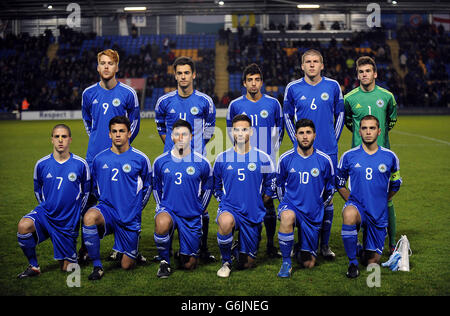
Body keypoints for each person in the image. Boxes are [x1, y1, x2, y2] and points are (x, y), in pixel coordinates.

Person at [80, 49, 141, 262]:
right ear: (98, 67)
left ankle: (123, 244)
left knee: (122, 200)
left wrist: (121, 150)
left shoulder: (128, 93)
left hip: (120, 158)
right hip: (93, 158)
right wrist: (100, 143)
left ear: (117, 67)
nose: (106, 67)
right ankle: (86, 248)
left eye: (110, 63)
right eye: (102, 63)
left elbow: (134, 124)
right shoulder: (88, 93)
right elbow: (89, 123)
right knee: (89, 202)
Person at [283, 49, 344, 260]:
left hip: (328, 151)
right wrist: (295, 141)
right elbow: (287, 116)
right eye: (307, 62)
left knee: (327, 198)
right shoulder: (292, 88)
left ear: (322, 65)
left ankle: (324, 245)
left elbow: (341, 114)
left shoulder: (333, 86)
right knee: (301, 194)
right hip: (302, 151)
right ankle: (297, 242)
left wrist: (333, 141)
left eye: (315, 61)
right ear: (302, 66)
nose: (311, 65)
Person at [155, 56, 216, 262]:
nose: (183, 76)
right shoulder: (164, 101)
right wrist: (174, 146)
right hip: (172, 160)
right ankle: (167, 249)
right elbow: (161, 129)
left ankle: (203, 248)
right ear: (175, 75)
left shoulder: (204, 101)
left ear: (194, 75)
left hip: (197, 160)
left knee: (201, 205)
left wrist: (195, 149)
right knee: (169, 202)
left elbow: (209, 130)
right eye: (179, 73)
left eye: (186, 73)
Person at [82, 116, 152, 280]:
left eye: (122, 131)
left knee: (126, 266)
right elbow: (94, 186)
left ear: (129, 133)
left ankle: (129, 250)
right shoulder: (99, 159)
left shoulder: (140, 159)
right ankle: (97, 266)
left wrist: (135, 209)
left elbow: (148, 187)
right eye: (114, 131)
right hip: (107, 211)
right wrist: (105, 201)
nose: (118, 135)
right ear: (109, 135)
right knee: (89, 217)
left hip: (129, 217)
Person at [17, 124, 90, 278]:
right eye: (57, 136)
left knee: (68, 268)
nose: (60, 140)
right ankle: (34, 266)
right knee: (23, 226)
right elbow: (38, 190)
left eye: (64, 136)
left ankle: (72, 254)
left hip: (68, 221)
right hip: (47, 214)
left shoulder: (81, 164)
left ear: (70, 139)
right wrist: (49, 207)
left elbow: (86, 193)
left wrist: (76, 214)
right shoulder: (41, 164)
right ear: (52, 140)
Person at [226, 63, 284, 258]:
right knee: (245, 201)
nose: (253, 83)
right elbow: (230, 131)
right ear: (244, 83)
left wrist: (269, 153)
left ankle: (269, 244)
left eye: (257, 80)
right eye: (250, 80)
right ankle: (244, 238)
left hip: (266, 162)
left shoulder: (273, 103)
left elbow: (280, 130)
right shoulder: (235, 105)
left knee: (268, 203)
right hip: (244, 160)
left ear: (261, 82)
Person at [344, 56, 398, 253]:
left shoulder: (387, 96)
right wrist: (362, 139)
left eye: (367, 71)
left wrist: (378, 137)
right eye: (360, 72)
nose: (364, 75)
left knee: (386, 199)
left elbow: (392, 119)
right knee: (357, 200)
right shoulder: (349, 98)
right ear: (357, 75)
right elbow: (349, 122)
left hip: (382, 156)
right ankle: (361, 240)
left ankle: (392, 243)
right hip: (357, 157)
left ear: (375, 73)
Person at [336, 115, 402, 278]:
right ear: (359, 131)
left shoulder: (390, 157)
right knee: (349, 214)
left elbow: (396, 184)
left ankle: (359, 249)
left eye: (372, 128)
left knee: (372, 261)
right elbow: (339, 182)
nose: (368, 132)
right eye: (364, 128)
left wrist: (382, 200)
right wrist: (351, 200)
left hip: (378, 213)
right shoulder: (349, 156)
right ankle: (352, 263)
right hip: (357, 207)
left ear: (379, 131)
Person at [213, 114, 276, 278]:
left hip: (252, 212)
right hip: (230, 209)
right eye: (236, 130)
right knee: (225, 222)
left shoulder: (263, 158)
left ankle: (237, 247)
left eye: (244, 129)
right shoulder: (222, 158)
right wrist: (224, 201)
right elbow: (215, 186)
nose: (240, 133)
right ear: (231, 132)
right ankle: (226, 262)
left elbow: (271, 185)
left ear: (252, 132)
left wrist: (259, 203)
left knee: (247, 264)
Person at [152, 119, 213, 278]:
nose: (180, 138)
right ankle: (164, 262)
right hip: (169, 210)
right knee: (161, 222)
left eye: (184, 134)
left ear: (191, 137)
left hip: (191, 215)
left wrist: (200, 208)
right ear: (171, 136)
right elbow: (156, 187)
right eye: (177, 134)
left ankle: (184, 252)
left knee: (189, 265)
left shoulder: (202, 162)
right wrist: (160, 206)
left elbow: (208, 188)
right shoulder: (160, 161)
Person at [276, 119, 335, 277]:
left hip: (312, 211)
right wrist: (285, 203)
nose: (304, 136)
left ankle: (299, 246)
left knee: (308, 264)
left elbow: (330, 188)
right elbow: (278, 185)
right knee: (287, 217)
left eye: (308, 132)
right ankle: (286, 262)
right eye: (301, 133)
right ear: (295, 135)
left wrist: (319, 205)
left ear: (314, 135)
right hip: (291, 206)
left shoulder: (324, 160)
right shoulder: (285, 159)